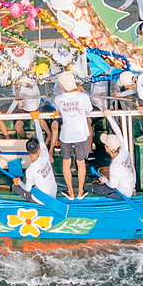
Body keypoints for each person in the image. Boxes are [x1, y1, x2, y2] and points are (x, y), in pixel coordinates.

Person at [51, 71, 94, 199]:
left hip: (66, 135)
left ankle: (70, 191)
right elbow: (89, 111)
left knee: (66, 162)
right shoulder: (83, 97)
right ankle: (80, 191)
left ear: (62, 86)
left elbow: (58, 111)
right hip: (81, 134)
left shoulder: (58, 99)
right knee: (81, 162)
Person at [98, 131, 136, 197]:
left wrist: (103, 179)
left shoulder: (115, 166)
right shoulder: (124, 152)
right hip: (130, 187)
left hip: (124, 194)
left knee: (97, 189)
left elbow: (112, 185)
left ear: (107, 148)